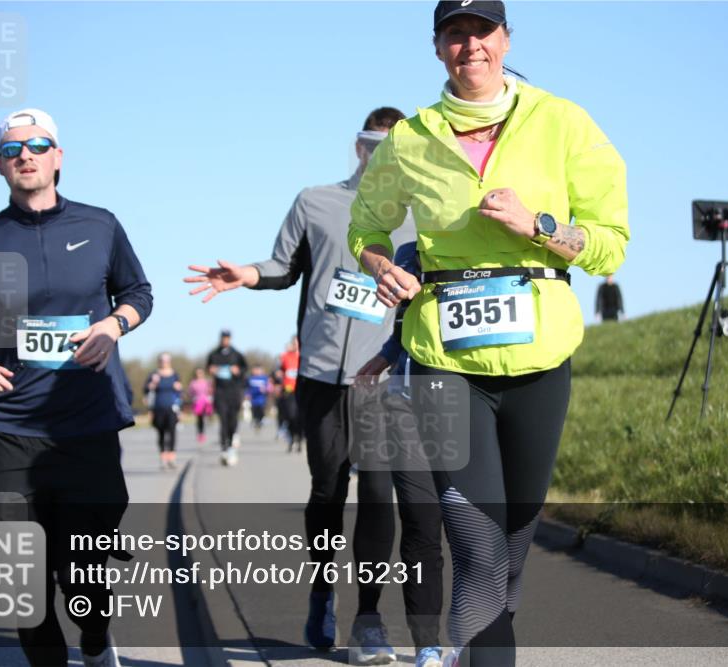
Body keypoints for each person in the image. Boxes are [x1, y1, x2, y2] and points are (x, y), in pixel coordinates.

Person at [348, 3, 629, 665]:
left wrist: (539, 226)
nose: (468, 44)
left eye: (481, 31)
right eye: (454, 33)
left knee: (510, 553)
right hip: (444, 359)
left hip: (540, 357)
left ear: (504, 40)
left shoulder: (563, 121)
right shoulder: (411, 138)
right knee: (476, 547)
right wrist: (386, 269)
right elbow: (366, 227)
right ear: (438, 47)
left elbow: (610, 245)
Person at [185, 107, 419, 662]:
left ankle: (368, 619)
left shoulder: (420, 215)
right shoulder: (316, 201)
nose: (379, 153)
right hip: (320, 373)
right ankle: (322, 588)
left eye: (392, 146)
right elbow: (283, 266)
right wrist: (247, 274)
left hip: (382, 375)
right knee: (327, 490)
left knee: (379, 493)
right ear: (357, 148)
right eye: (370, 143)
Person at [0, 108, 153, 667]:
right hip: (12, 429)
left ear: (58, 156)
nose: (25, 155)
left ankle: (97, 640)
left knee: (81, 576)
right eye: (13, 150)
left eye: (37, 145)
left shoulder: (100, 225)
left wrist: (112, 325)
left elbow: (139, 293)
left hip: (87, 428)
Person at [355, 241, 445, 667]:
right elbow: (406, 323)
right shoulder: (410, 249)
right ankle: (428, 643)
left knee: (467, 526)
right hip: (406, 399)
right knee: (421, 520)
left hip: (464, 401)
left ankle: (477, 630)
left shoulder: (486, 245)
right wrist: (385, 356)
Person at [206, 329, 247, 466]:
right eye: (223, 338)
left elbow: (244, 370)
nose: (225, 340)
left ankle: (231, 444)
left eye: (227, 338)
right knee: (222, 420)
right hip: (220, 392)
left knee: (232, 420)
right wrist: (211, 370)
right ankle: (224, 449)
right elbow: (208, 368)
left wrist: (238, 371)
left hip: (234, 392)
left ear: (230, 339)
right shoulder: (214, 354)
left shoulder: (237, 354)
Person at [146, 353, 182, 469]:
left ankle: (172, 458)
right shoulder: (154, 374)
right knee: (161, 433)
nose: (164, 362)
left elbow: (180, 394)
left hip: (172, 408)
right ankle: (163, 458)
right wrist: (153, 384)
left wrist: (179, 388)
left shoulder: (175, 375)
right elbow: (146, 390)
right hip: (158, 408)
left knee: (172, 432)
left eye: (166, 360)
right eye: (162, 360)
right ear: (159, 361)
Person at [278, 336, 304, 452]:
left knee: (299, 417)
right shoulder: (285, 356)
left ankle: (299, 438)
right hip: (289, 391)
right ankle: (291, 437)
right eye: (294, 342)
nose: (296, 345)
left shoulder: (305, 357)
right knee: (290, 415)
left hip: (302, 391)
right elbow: (279, 371)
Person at [188, 367, 214, 443]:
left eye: (200, 373)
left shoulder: (207, 382)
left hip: (206, 401)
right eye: (198, 373)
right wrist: (193, 398)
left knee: (206, 415)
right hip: (197, 402)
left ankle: (209, 420)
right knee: (200, 418)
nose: (199, 374)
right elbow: (190, 392)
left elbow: (211, 391)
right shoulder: (193, 383)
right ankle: (201, 433)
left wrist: (210, 397)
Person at [245, 365, 272, 431]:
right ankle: (256, 422)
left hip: (261, 399)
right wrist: (247, 394)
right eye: (255, 370)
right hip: (253, 399)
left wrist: (266, 389)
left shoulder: (264, 378)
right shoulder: (250, 378)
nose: (256, 371)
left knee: (261, 410)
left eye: (258, 370)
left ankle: (260, 421)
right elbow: (247, 388)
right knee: (254, 411)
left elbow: (269, 387)